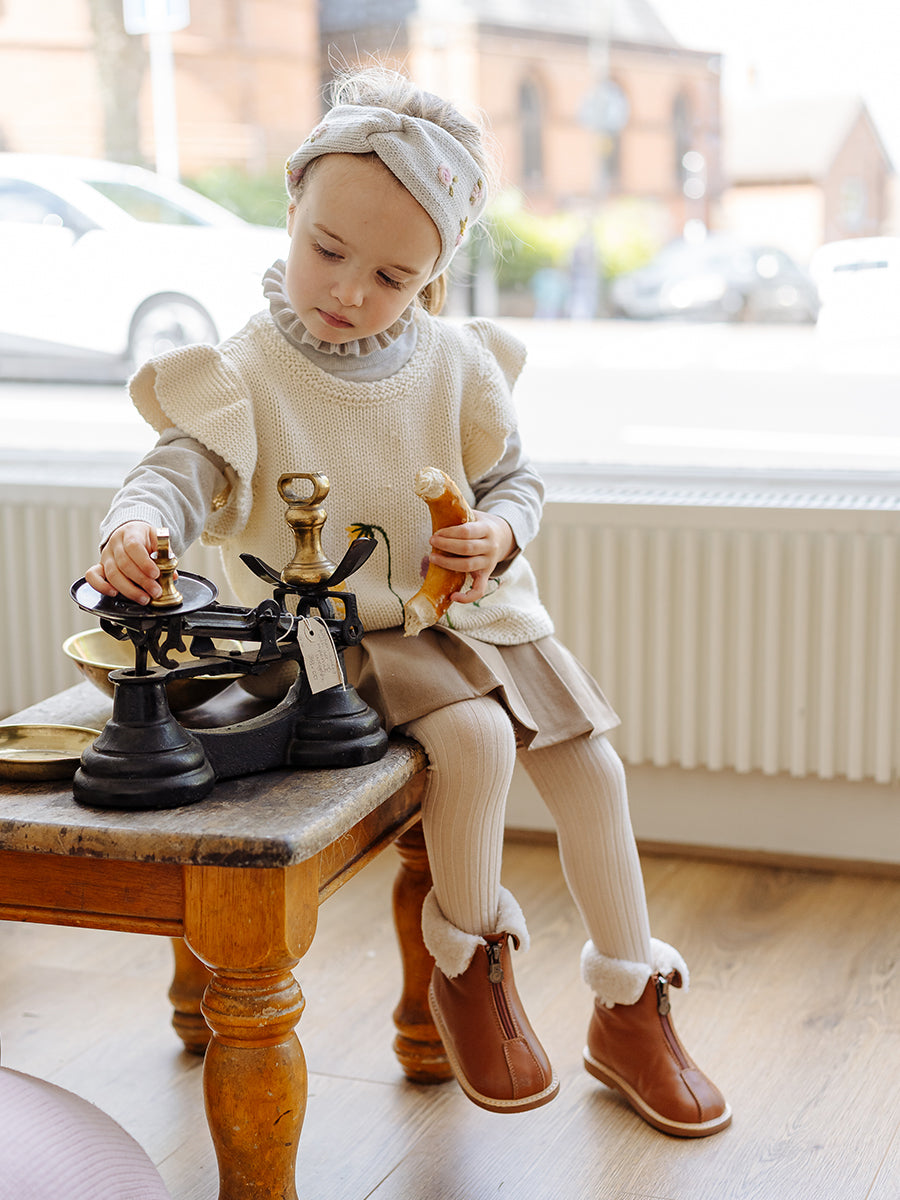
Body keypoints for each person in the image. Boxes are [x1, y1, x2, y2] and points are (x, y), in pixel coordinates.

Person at [85, 66, 730, 1137]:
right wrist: (134, 527)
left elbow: (517, 480)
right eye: (327, 251)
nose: (347, 291)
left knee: (593, 768)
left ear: (436, 271)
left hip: (480, 613)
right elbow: (175, 474)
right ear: (293, 205)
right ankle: (469, 967)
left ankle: (630, 1005)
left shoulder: (457, 362)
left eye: (391, 275)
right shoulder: (248, 371)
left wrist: (502, 531)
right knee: (474, 742)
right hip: (341, 634)